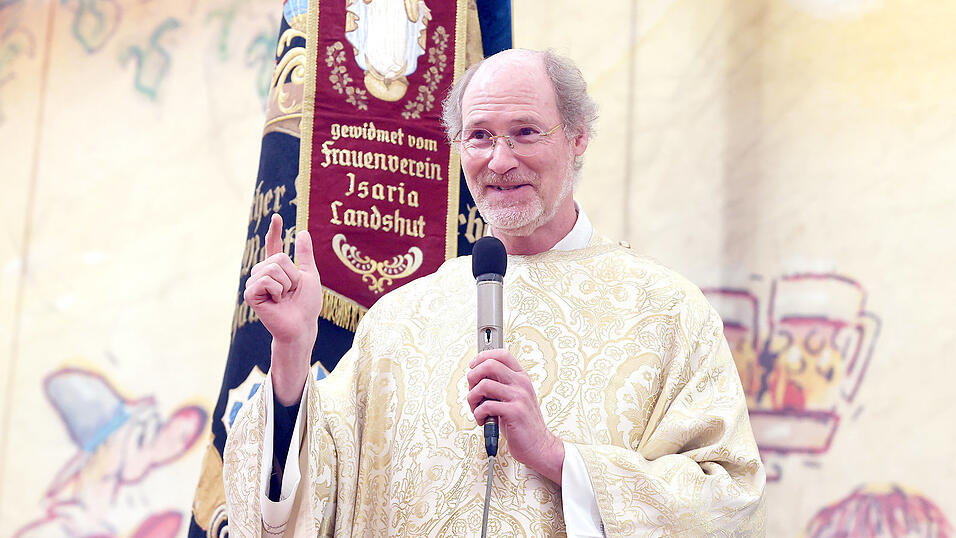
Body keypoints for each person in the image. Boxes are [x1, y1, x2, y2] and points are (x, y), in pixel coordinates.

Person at [223, 48, 766, 536]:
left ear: (578, 137)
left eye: (525, 132)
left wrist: (558, 459)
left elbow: (728, 502)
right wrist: (292, 352)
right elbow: (308, 503)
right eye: (479, 135)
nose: (499, 161)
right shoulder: (400, 320)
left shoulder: (666, 310)